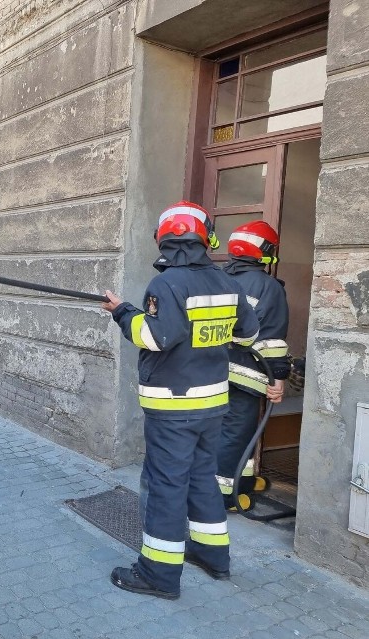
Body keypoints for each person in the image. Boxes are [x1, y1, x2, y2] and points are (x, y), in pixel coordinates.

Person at [101, 201, 259, 600]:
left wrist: (123, 313)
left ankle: (158, 574)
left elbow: (155, 337)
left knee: (165, 485)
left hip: (173, 408)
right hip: (212, 405)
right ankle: (212, 556)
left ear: (164, 238)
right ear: (206, 239)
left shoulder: (166, 284)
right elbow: (247, 336)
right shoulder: (228, 282)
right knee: (202, 478)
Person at [216, 221, 290, 511]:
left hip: (213, 371)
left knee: (236, 431)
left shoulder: (218, 279)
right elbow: (272, 340)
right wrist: (279, 378)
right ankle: (223, 496)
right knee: (235, 431)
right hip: (245, 374)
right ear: (266, 251)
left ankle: (242, 481)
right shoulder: (269, 287)